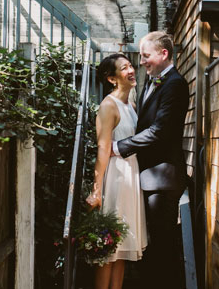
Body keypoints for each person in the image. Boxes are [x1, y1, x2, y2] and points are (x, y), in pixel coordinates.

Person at [113, 31, 190, 288]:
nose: (142, 61)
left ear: (163, 53)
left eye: (146, 56)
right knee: (151, 246)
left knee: (162, 247)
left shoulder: (175, 84)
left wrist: (119, 147)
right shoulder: (151, 81)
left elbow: (159, 131)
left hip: (162, 179)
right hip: (146, 177)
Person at [86, 53, 147, 289]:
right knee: (108, 250)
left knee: (121, 249)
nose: (131, 70)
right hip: (115, 180)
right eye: (124, 68)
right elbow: (103, 151)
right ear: (112, 79)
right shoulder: (108, 106)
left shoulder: (130, 105)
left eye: (131, 65)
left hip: (131, 177)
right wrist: (97, 191)